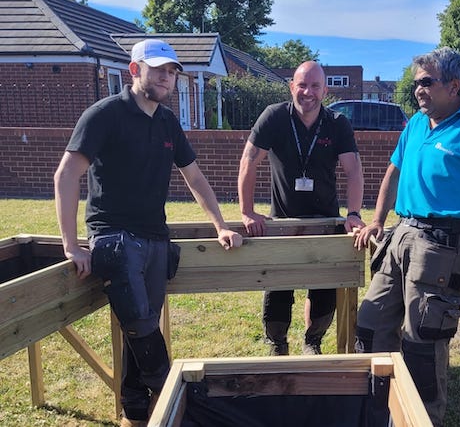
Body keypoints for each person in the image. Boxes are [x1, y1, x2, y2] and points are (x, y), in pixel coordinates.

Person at [54, 38, 243, 427]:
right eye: (158, 69)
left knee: (141, 329)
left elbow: (194, 177)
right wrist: (72, 244)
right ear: (134, 70)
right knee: (141, 325)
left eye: (172, 72)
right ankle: (178, 401)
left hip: (157, 239)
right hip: (114, 239)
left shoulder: (167, 121)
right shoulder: (105, 115)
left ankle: (136, 412)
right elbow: (67, 174)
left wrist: (220, 224)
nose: (166, 78)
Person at [353, 47, 460, 426]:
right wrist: (377, 220)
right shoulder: (416, 123)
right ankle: (375, 411)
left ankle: (421, 420)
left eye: (425, 82)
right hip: (400, 235)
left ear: (454, 86)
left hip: (442, 244)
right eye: (416, 82)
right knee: (370, 323)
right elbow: (393, 172)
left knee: (423, 341)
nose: (417, 89)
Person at [238, 60, 365, 356]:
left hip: (326, 220)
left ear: (325, 90)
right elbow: (249, 161)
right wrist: (247, 211)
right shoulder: (274, 117)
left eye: (315, 86)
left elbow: (354, 171)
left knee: (324, 288)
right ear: (292, 86)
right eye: (302, 85)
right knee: (279, 285)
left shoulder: (337, 124)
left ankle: (313, 342)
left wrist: (354, 214)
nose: (308, 92)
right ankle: (277, 344)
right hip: (282, 220)